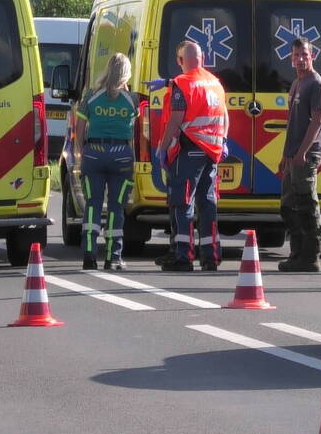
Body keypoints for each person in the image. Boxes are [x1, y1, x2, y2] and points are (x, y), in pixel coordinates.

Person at [155, 41, 229, 272]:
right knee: (207, 204)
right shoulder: (215, 83)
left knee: (183, 203)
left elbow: (176, 119)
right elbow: (225, 116)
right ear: (203, 58)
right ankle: (211, 256)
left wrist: (162, 147)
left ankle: (183, 256)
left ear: (179, 61)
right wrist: (223, 141)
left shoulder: (182, 84)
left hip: (189, 151)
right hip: (212, 153)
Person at [74, 53, 139, 271]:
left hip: (93, 154)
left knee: (92, 204)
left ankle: (89, 254)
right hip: (121, 155)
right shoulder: (133, 100)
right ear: (126, 73)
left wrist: (82, 155)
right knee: (116, 207)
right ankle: (113, 257)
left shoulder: (91, 95)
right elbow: (136, 133)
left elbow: (79, 131)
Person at [278, 37, 321, 272]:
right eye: (296, 55)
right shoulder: (297, 83)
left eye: (304, 55)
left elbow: (317, 120)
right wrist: (286, 155)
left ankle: (311, 257)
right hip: (293, 154)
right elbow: (292, 123)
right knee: (289, 205)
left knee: (307, 203)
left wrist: (303, 152)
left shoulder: (316, 83)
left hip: (307, 154)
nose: (300, 60)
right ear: (291, 58)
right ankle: (296, 254)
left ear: (312, 56)